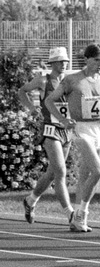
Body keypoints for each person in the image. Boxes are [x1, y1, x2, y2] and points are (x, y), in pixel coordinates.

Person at [45, 43, 100, 233]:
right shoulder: (72, 80)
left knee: (86, 175)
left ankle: (77, 217)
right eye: (96, 60)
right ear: (86, 59)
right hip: (81, 128)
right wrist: (62, 119)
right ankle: (82, 213)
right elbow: (49, 100)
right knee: (98, 171)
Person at [18, 47, 75, 225]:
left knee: (51, 173)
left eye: (65, 61)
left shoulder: (69, 81)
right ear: (53, 63)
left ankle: (30, 200)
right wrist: (32, 108)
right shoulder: (43, 80)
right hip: (50, 130)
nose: (63, 64)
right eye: (60, 61)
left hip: (66, 131)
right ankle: (70, 213)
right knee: (60, 171)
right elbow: (22, 91)